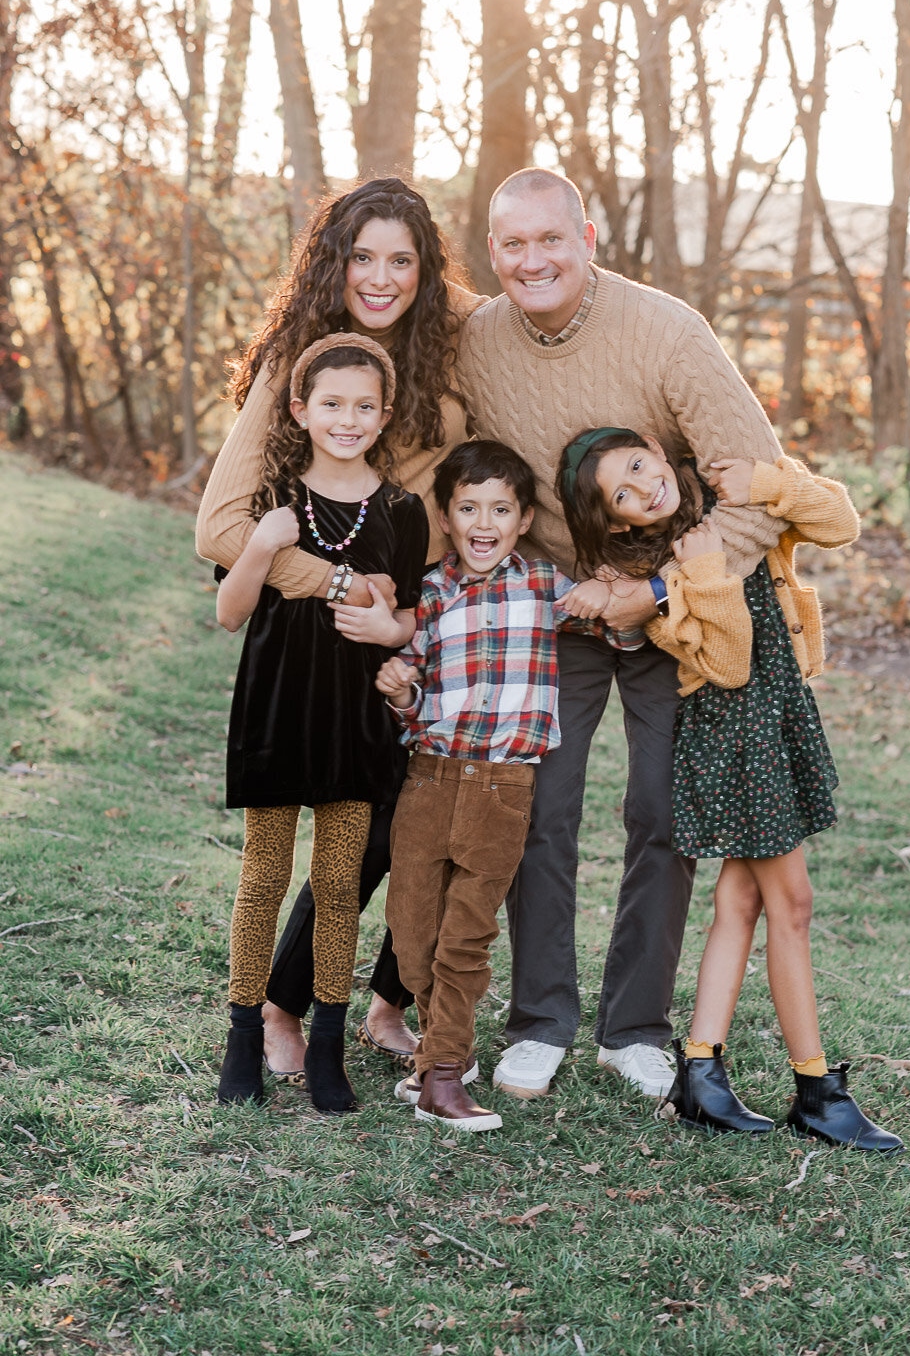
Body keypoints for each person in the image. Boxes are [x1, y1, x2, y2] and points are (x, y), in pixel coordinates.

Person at [455, 167, 789, 1100]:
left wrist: (659, 589)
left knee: (661, 811)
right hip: (557, 609)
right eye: (513, 245)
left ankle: (635, 1027)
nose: (533, 260)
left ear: (588, 237)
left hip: (672, 612)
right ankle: (540, 1020)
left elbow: (759, 482)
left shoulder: (666, 329)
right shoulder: (477, 343)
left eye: (549, 239)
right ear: (494, 254)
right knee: (539, 810)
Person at [196, 178, 485, 1078]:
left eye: (403, 258)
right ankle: (282, 1008)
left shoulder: (448, 341)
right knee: (352, 817)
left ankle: (386, 1001)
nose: (382, 276)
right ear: (334, 260)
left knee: (436, 809)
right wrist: (345, 589)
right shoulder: (303, 358)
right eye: (363, 256)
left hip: (431, 610)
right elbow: (220, 530)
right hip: (331, 637)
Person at [558, 426, 902, 1150]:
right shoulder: (653, 580)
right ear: (620, 522)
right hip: (732, 735)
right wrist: (703, 576)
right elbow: (730, 662)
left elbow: (840, 521)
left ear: (658, 448)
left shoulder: (731, 503)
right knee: (793, 905)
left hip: (779, 714)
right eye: (625, 493)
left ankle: (700, 1073)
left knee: (742, 903)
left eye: (641, 465)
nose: (647, 486)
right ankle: (815, 1089)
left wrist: (768, 483)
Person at [375, 441, 642, 1131]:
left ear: (524, 519)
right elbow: (409, 676)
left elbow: (625, 637)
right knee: (412, 932)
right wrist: (400, 692)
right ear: (445, 516)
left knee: (466, 935)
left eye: (500, 508)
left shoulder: (546, 586)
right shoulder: (430, 593)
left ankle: (440, 1073)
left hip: (503, 789)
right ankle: (443, 1051)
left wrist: (612, 594)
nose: (483, 521)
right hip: (429, 782)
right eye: (468, 507)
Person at [215, 334, 428, 1113]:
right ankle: (242, 1038)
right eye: (331, 403)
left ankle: (330, 1043)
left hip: (354, 725)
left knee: (339, 884)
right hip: (275, 714)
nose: (348, 418)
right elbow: (228, 613)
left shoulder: (402, 512)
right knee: (264, 876)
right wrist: (263, 547)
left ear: (384, 414)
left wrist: (391, 627)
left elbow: (407, 617)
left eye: (364, 406)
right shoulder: (271, 499)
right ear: (301, 409)